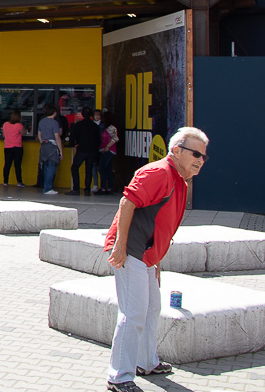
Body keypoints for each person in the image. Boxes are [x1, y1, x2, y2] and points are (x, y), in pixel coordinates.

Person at [103, 127, 209, 392]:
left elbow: (159, 225)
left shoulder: (179, 179)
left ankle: (146, 362)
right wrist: (120, 246)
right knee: (133, 314)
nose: (200, 160)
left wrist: (157, 261)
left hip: (147, 257)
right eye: (195, 153)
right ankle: (119, 377)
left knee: (151, 310)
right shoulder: (158, 172)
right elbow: (127, 203)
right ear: (176, 150)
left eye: (204, 156)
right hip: (132, 252)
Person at [69, 106, 102, 194]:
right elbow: (99, 140)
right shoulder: (95, 126)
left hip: (81, 150)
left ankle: (76, 188)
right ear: (91, 115)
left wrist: (73, 145)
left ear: (82, 114)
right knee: (89, 170)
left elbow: (72, 137)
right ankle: (87, 189)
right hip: (92, 151)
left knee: (75, 168)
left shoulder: (79, 125)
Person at [37, 103, 62, 194]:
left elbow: (39, 135)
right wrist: (60, 151)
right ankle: (48, 188)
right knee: (51, 167)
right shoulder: (55, 123)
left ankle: (45, 186)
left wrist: (42, 142)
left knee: (45, 166)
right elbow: (57, 137)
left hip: (44, 145)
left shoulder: (41, 121)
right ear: (54, 112)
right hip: (52, 146)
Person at [1, 109, 25, 187]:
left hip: (7, 147)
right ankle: (19, 181)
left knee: (7, 165)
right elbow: (24, 133)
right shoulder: (19, 125)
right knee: (17, 165)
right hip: (17, 147)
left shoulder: (5, 124)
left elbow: (4, 135)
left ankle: (5, 181)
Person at [99, 110, 119, 194]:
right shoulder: (105, 126)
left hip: (109, 150)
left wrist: (107, 146)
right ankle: (109, 187)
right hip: (106, 150)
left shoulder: (111, 128)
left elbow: (115, 138)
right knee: (108, 169)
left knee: (102, 168)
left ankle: (104, 187)